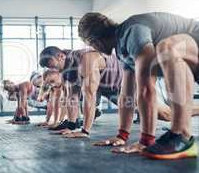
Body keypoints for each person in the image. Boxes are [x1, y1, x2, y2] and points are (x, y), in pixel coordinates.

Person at [78, 12, 199, 159]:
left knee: (167, 48)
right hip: (193, 63)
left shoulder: (132, 33)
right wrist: (122, 135)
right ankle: (181, 136)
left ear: (95, 42)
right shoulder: (122, 50)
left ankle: (182, 136)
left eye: (90, 45)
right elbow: (127, 94)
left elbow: (147, 89)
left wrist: (146, 141)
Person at [39, 46, 123, 137]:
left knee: (134, 105)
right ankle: (73, 125)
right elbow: (71, 98)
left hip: (120, 83)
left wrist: (84, 131)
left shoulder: (86, 59)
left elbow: (89, 96)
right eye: (50, 68)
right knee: (73, 95)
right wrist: (71, 127)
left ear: (61, 56)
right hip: (101, 86)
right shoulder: (65, 68)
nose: (54, 71)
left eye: (53, 67)